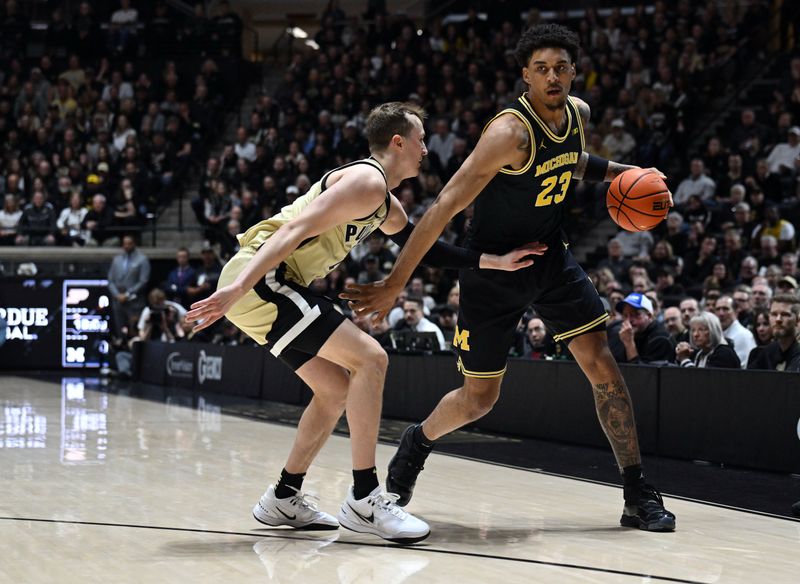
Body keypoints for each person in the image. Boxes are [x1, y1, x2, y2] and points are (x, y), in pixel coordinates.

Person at [342, 25, 675, 531]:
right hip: (492, 269)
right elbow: (443, 208)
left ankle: (636, 491)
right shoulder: (508, 133)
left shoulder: (577, 115)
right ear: (525, 75)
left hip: (551, 260)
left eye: (561, 67)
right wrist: (394, 283)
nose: (552, 76)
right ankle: (419, 441)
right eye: (541, 68)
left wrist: (628, 173)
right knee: (480, 399)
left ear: (573, 71)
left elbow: (572, 160)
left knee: (603, 365)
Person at [184, 102, 542, 543]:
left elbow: (423, 246)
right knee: (372, 359)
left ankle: (283, 496)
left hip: (269, 283)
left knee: (334, 390)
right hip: (263, 279)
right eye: (420, 140)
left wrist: (493, 262)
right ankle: (364, 497)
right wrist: (237, 289)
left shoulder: (385, 205)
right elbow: (291, 232)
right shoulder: (365, 181)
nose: (426, 150)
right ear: (398, 142)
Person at [747, 294, 800, 371]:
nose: (778, 319)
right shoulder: (767, 352)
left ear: (798, 320)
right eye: (774, 314)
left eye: (785, 314)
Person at [675, 311, 741, 369]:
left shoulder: (724, 354)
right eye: (693, 330)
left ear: (713, 330)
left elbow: (701, 381)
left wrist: (685, 359)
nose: (695, 334)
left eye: (701, 329)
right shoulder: (699, 353)